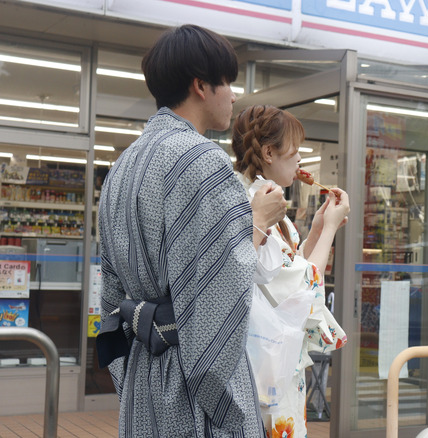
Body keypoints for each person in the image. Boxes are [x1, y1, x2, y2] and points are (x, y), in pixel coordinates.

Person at [96, 24, 286, 437]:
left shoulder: (121, 168)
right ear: (201, 86)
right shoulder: (203, 161)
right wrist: (225, 405)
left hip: (142, 373)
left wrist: (129, 376)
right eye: (228, 83)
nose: (234, 95)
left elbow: (110, 295)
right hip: (190, 380)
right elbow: (224, 291)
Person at [231, 104, 350, 437]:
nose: (300, 161)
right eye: (295, 152)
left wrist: (317, 229)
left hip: (269, 353)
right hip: (268, 359)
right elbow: (305, 288)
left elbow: (293, 267)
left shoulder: (265, 201)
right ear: (269, 152)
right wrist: (329, 229)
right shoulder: (258, 204)